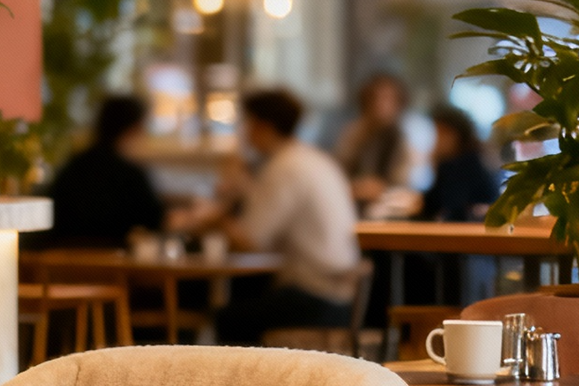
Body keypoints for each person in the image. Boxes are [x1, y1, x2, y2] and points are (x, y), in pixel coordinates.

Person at [208, 88, 362, 344]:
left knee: (227, 319)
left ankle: (245, 384)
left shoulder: (284, 167)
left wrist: (215, 219)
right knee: (244, 302)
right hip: (342, 292)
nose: (245, 132)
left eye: (248, 123)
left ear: (264, 126)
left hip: (317, 296)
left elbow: (249, 241)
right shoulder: (312, 160)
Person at [44, 95, 169, 248]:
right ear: (134, 128)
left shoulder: (74, 165)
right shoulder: (128, 173)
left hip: (57, 260)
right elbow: (157, 220)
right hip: (110, 264)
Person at [335, 71, 429, 220]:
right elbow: (338, 173)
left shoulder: (408, 136)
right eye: (374, 98)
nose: (379, 105)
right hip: (352, 210)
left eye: (387, 99)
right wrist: (356, 187)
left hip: (394, 212)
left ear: (399, 103)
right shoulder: (354, 135)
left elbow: (414, 187)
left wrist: (381, 190)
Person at [419, 105, 502, 224]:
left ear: (456, 135)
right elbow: (432, 204)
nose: (435, 140)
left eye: (441, 133)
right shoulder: (448, 164)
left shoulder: (467, 164)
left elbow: (455, 211)